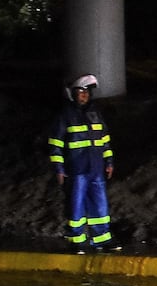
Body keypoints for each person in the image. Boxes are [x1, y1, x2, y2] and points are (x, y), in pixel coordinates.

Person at [47, 74, 120, 253]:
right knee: (76, 205)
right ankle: (77, 240)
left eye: (87, 92)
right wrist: (59, 168)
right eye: (80, 92)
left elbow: (104, 140)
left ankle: (102, 238)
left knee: (100, 205)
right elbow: (55, 143)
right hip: (76, 169)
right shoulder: (65, 116)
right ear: (72, 94)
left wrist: (108, 162)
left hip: (96, 169)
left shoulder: (95, 114)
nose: (84, 95)